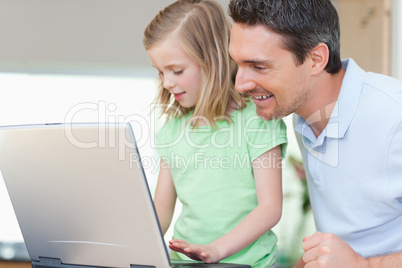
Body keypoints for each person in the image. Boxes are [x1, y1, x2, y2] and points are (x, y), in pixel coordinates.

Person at [228, 0, 402, 267]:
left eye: (259, 66)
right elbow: (343, 241)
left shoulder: (394, 117)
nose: (240, 84)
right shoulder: (303, 115)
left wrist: (364, 265)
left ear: (316, 59)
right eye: (238, 64)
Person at [143, 0, 287, 267]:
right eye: (160, 72)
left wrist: (216, 249)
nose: (167, 82)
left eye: (176, 71)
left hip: (248, 264)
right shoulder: (172, 129)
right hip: (185, 262)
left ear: (212, 60)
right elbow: (161, 208)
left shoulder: (257, 120)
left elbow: (270, 208)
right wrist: (134, 248)